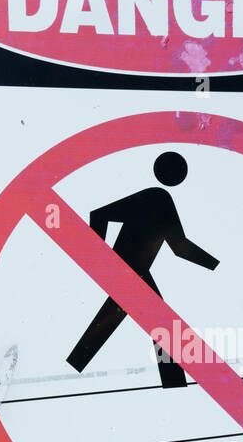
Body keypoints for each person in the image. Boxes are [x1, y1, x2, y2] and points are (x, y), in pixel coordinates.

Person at [67, 151, 219, 388]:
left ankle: (77, 363)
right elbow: (100, 215)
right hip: (124, 270)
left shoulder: (161, 200)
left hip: (133, 271)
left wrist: (213, 264)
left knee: (131, 318)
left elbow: (179, 247)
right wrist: (96, 257)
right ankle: (173, 381)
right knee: (161, 322)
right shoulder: (155, 198)